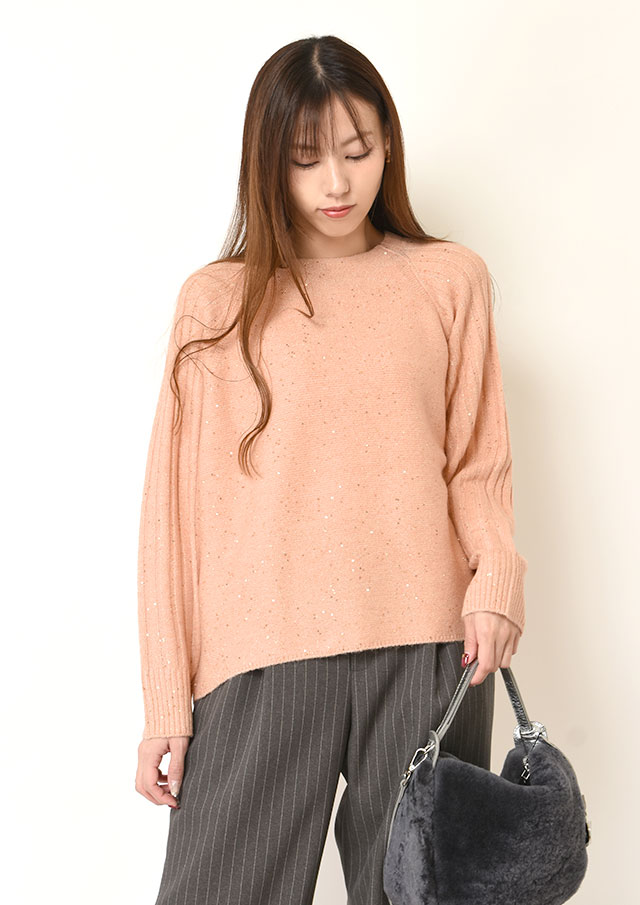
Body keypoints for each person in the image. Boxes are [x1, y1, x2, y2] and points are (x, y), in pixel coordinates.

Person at [134, 34, 527, 905]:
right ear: (267, 163)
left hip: (431, 650)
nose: (338, 183)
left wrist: (497, 578)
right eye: (307, 159)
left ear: (388, 144)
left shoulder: (448, 280)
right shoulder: (216, 301)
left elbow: (478, 462)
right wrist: (166, 699)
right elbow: (173, 520)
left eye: (358, 150)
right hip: (259, 659)